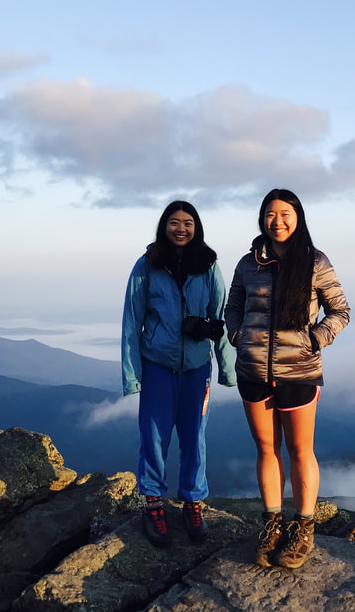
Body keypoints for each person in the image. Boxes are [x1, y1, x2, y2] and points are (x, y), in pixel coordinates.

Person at [225, 188, 350, 569]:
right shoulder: (249, 264)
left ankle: (303, 527)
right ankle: (272, 524)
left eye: (285, 214)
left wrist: (315, 339)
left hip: (299, 371)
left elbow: (340, 311)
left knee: (300, 451)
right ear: (261, 218)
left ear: (298, 217)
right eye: (269, 214)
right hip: (253, 371)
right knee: (266, 450)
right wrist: (238, 338)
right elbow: (232, 308)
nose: (277, 221)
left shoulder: (315, 262)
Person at [121, 200, 236, 547]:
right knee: (154, 437)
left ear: (196, 227)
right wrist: (132, 375)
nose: (181, 228)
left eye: (188, 222)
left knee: (194, 437)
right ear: (164, 226)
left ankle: (192, 502)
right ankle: (153, 503)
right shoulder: (147, 265)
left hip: (197, 368)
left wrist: (227, 368)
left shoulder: (209, 264)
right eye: (174, 222)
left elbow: (222, 318)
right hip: (157, 366)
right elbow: (132, 320)